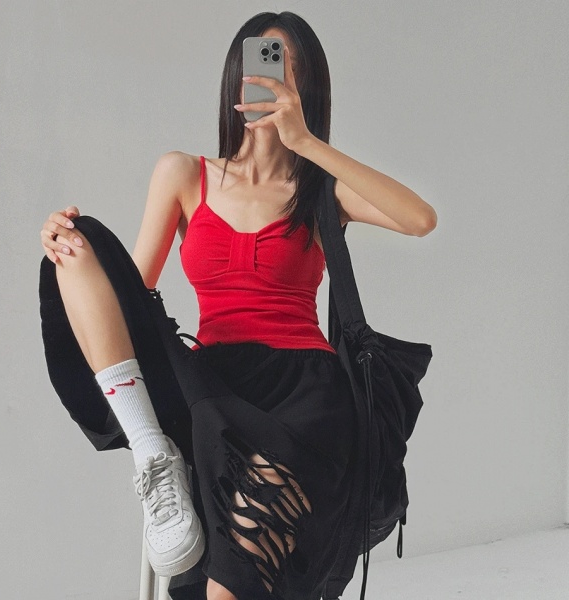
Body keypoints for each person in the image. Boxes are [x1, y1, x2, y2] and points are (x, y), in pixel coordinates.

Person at [39, 11, 436, 600]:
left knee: (231, 585)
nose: (273, 80)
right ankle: (151, 451)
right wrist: (68, 244)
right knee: (79, 242)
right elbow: (134, 295)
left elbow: (420, 219)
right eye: (263, 63)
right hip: (212, 384)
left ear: (311, 88)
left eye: (290, 70)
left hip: (302, 394)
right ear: (237, 76)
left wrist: (307, 144)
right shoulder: (184, 173)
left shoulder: (321, 191)